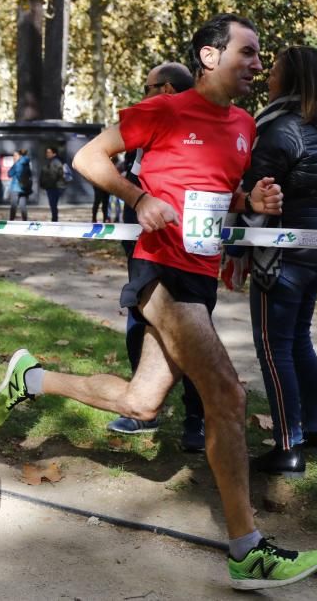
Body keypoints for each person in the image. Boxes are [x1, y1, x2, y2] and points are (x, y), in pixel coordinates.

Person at [0, 15, 317, 589]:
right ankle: (248, 550)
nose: (255, 64)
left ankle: (32, 378)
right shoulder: (165, 110)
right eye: (246, 53)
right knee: (225, 392)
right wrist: (140, 196)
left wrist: (255, 199)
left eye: (257, 56)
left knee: (143, 402)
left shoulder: (245, 124)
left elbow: (223, 193)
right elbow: (88, 158)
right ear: (209, 56)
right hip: (161, 270)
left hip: (199, 274)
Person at [243, 46, 317, 476]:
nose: (267, 78)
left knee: (274, 349)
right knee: (299, 339)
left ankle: (288, 446)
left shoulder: (280, 129)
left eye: (272, 71)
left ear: (289, 80)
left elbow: (254, 190)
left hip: (282, 253)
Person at [106, 62, 206, 453]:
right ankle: (142, 411)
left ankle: (196, 420)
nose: (142, 94)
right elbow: (131, 177)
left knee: (194, 336)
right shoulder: (148, 127)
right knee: (138, 324)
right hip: (144, 250)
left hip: (183, 253)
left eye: (146, 87)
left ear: (164, 89)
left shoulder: (193, 129)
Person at [38, 146, 66, 222]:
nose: (47, 154)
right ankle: (54, 219)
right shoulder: (50, 162)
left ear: (54, 153)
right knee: (53, 205)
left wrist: (46, 184)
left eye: (49, 152)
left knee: (53, 205)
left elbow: (54, 176)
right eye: (47, 152)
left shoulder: (55, 162)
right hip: (52, 187)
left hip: (54, 187)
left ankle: (54, 220)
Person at [7, 149, 32, 221]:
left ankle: (11, 221)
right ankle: (25, 221)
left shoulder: (17, 164)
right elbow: (30, 174)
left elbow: (9, 174)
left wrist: (14, 164)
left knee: (13, 206)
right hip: (24, 188)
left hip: (15, 187)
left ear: (20, 156)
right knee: (23, 206)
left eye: (15, 155)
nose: (14, 157)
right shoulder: (27, 163)